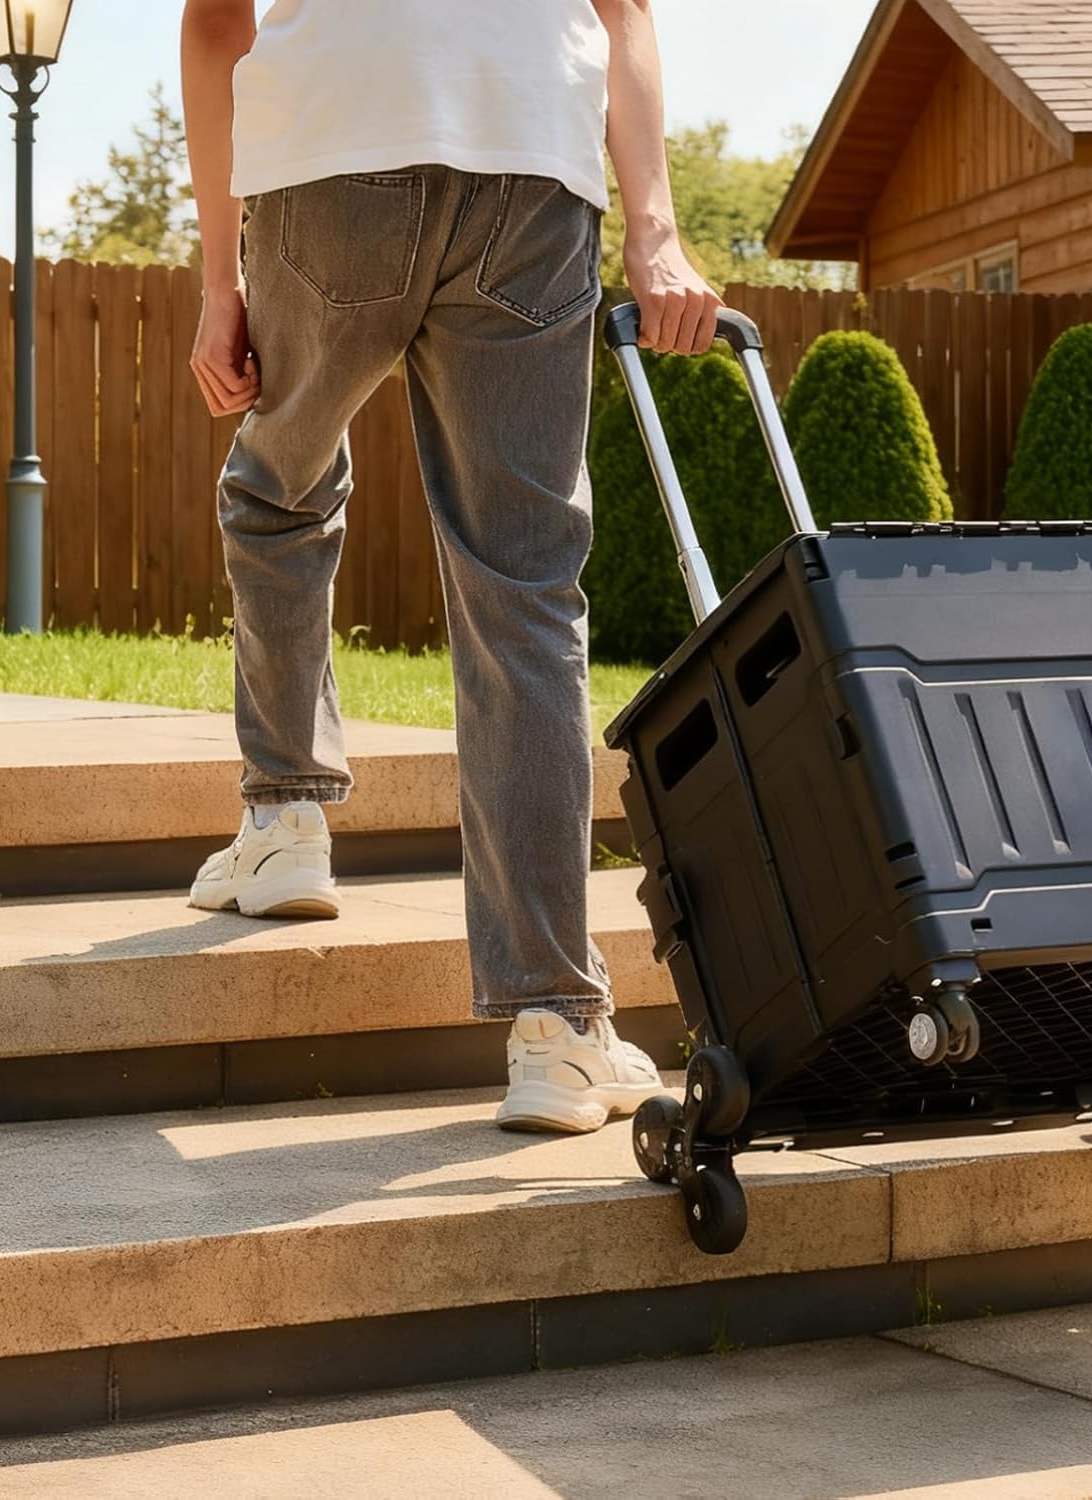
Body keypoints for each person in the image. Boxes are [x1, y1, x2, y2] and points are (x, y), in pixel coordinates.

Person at [181, 0, 720, 1134]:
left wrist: (218, 284)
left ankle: (285, 823)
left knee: (276, 485)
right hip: (530, 159)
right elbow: (622, 11)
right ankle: (557, 1032)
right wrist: (654, 229)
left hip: (335, 151)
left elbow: (216, 20)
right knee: (522, 590)